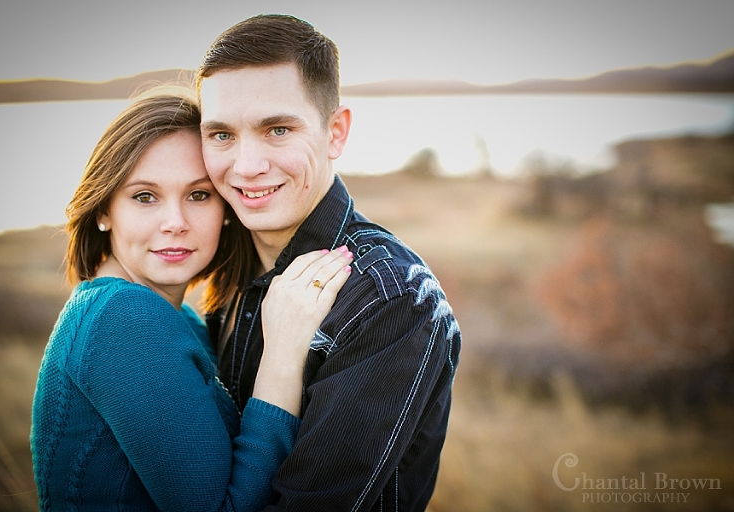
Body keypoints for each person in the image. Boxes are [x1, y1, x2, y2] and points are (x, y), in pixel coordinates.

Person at [29, 86, 353, 512]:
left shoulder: (177, 317)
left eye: (199, 195)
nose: (175, 223)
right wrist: (283, 354)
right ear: (104, 210)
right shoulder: (122, 318)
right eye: (144, 196)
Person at [196, 14, 462, 511]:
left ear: (335, 132)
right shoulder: (228, 258)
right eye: (221, 135)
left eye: (277, 129)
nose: (247, 166)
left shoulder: (389, 300)